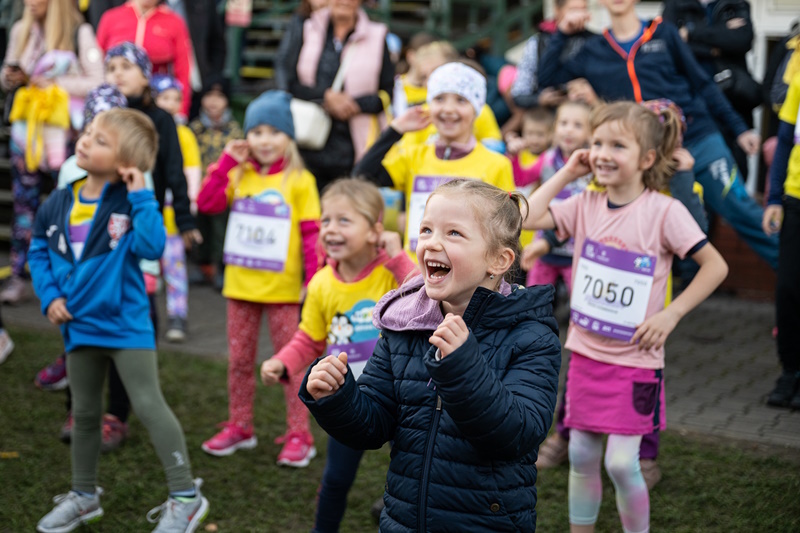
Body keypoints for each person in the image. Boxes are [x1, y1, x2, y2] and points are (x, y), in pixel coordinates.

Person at [299, 179, 561, 531]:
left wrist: (463, 366)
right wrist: (337, 397)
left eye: (454, 233)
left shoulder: (530, 334)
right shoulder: (404, 323)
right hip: (404, 520)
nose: (432, 242)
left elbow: (516, 435)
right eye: (426, 230)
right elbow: (374, 425)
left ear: (498, 260)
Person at [523, 101, 728, 532]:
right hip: (585, 354)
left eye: (617, 145)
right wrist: (567, 173)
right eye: (596, 143)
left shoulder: (665, 212)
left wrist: (671, 316)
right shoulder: (585, 203)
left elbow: (716, 266)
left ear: (647, 158)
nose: (602, 153)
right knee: (580, 455)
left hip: (636, 360)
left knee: (620, 462)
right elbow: (526, 217)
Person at [29, 107, 209, 533]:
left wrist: (144, 194)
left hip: (127, 327)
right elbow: (38, 250)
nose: (87, 140)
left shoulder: (132, 203)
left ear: (126, 163)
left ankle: (186, 496)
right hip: (79, 327)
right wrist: (49, 296)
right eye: (89, 132)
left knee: (148, 405)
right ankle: (84, 495)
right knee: (86, 412)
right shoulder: (58, 201)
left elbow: (151, 247)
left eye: (101, 140)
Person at [537, 0, 775, 271]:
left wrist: (739, 128)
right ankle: (679, 298)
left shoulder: (664, 33)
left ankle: (790, 267)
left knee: (740, 210)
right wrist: (563, 33)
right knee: (664, 233)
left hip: (698, 139)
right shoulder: (594, 50)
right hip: (643, 157)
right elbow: (546, 78)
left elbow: (702, 83)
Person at [260, 178, 415, 533]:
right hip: (350, 400)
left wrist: (397, 258)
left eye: (344, 220)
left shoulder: (391, 274)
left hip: (401, 396)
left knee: (414, 474)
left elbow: (425, 296)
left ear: (376, 228)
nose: (331, 229)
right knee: (335, 479)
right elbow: (309, 339)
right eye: (326, 220)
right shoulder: (320, 284)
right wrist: (282, 361)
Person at [195, 91, 321, 465]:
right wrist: (224, 164)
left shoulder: (300, 180)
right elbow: (206, 204)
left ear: (289, 137)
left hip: (283, 292)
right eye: (257, 131)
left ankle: (300, 433)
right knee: (238, 361)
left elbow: (312, 235)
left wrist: (313, 282)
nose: (265, 140)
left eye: (274, 132)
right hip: (240, 287)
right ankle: (240, 426)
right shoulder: (238, 173)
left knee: (291, 364)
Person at [353, 62, 515, 260]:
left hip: (468, 279)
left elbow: (508, 230)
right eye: (439, 99)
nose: (448, 108)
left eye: (461, 100)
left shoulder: (496, 164)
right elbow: (362, 176)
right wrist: (395, 129)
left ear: (477, 109)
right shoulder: (414, 156)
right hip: (413, 276)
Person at [0, 0, 104, 304]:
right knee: (23, 209)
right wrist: (11, 78)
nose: (30, 2)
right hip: (26, 137)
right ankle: (19, 276)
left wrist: (54, 82)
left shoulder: (79, 32)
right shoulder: (21, 29)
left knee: (69, 208)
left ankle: (72, 280)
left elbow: (98, 80)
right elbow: (7, 75)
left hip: (65, 140)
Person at [282, 0, 394, 191]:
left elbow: (386, 93)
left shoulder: (377, 35)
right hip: (308, 140)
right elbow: (289, 82)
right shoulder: (306, 29)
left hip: (354, 146)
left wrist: (353, 104)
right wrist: (326, 97)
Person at [104, 42, 200, 256]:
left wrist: (184, 219)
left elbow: (174, 170)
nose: (118, 73)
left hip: (143, 212)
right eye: (111, 68)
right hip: (104, 213)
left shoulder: (161, 119)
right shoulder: (103, 117)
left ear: (145, 76)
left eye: (126, 66)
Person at [662, 0, 760, 181]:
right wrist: (717, 43)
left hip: (733, 100)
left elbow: (741, 40)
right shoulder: (676, 5)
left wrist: (691, 32)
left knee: (735, 175)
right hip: (695, 106)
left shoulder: (736, 4)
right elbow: (671, 46)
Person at [519, 101, 592, 291]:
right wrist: (515, 155)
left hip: (578, 250)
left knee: (579, 298)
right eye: (563, 123)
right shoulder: (548, 157)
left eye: (577, 125)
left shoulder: (593, 165)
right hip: (544, 245)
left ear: (590, 133)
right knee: (534, 296)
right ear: (554, 128)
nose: (568, 130)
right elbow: (523, 178)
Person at [152, 73, 202, 341]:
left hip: (173, 217)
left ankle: (177, 315)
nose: (171, 104)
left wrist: (188, 208)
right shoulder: (148, 129)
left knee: (175, 268)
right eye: (164, 98)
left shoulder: (185, 134)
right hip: (150, 215)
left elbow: (192, 171)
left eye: (176, 98)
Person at [763, 64, 800, 409]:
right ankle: (790, 370)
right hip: (795, 197)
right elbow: (786, 136)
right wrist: (774, 198)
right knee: (788, 289)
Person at [96, 0, 193, 118]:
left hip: (156, 102)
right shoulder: (111, 17)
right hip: (113, 101)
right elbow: (97, 64)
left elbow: (183, 71)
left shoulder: (174, 21)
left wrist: (181, 111)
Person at [189, 74, 242, 289]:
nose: (213, 101)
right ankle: (203, 267)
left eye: (219, 96)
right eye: (209, 95)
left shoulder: (234, 130)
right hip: (199, 188)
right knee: (200, 229)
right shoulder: (195, 128)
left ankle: (220, 267)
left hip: (224, 189)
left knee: (221, 230)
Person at [509, 0, 594, 112]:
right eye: (574, 10)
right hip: (546, 117)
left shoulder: (594, 42)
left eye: (583, 9)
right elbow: (519, 93)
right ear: (557, 10)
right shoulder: (538, 42)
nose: (580, 15)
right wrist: (539, 100)